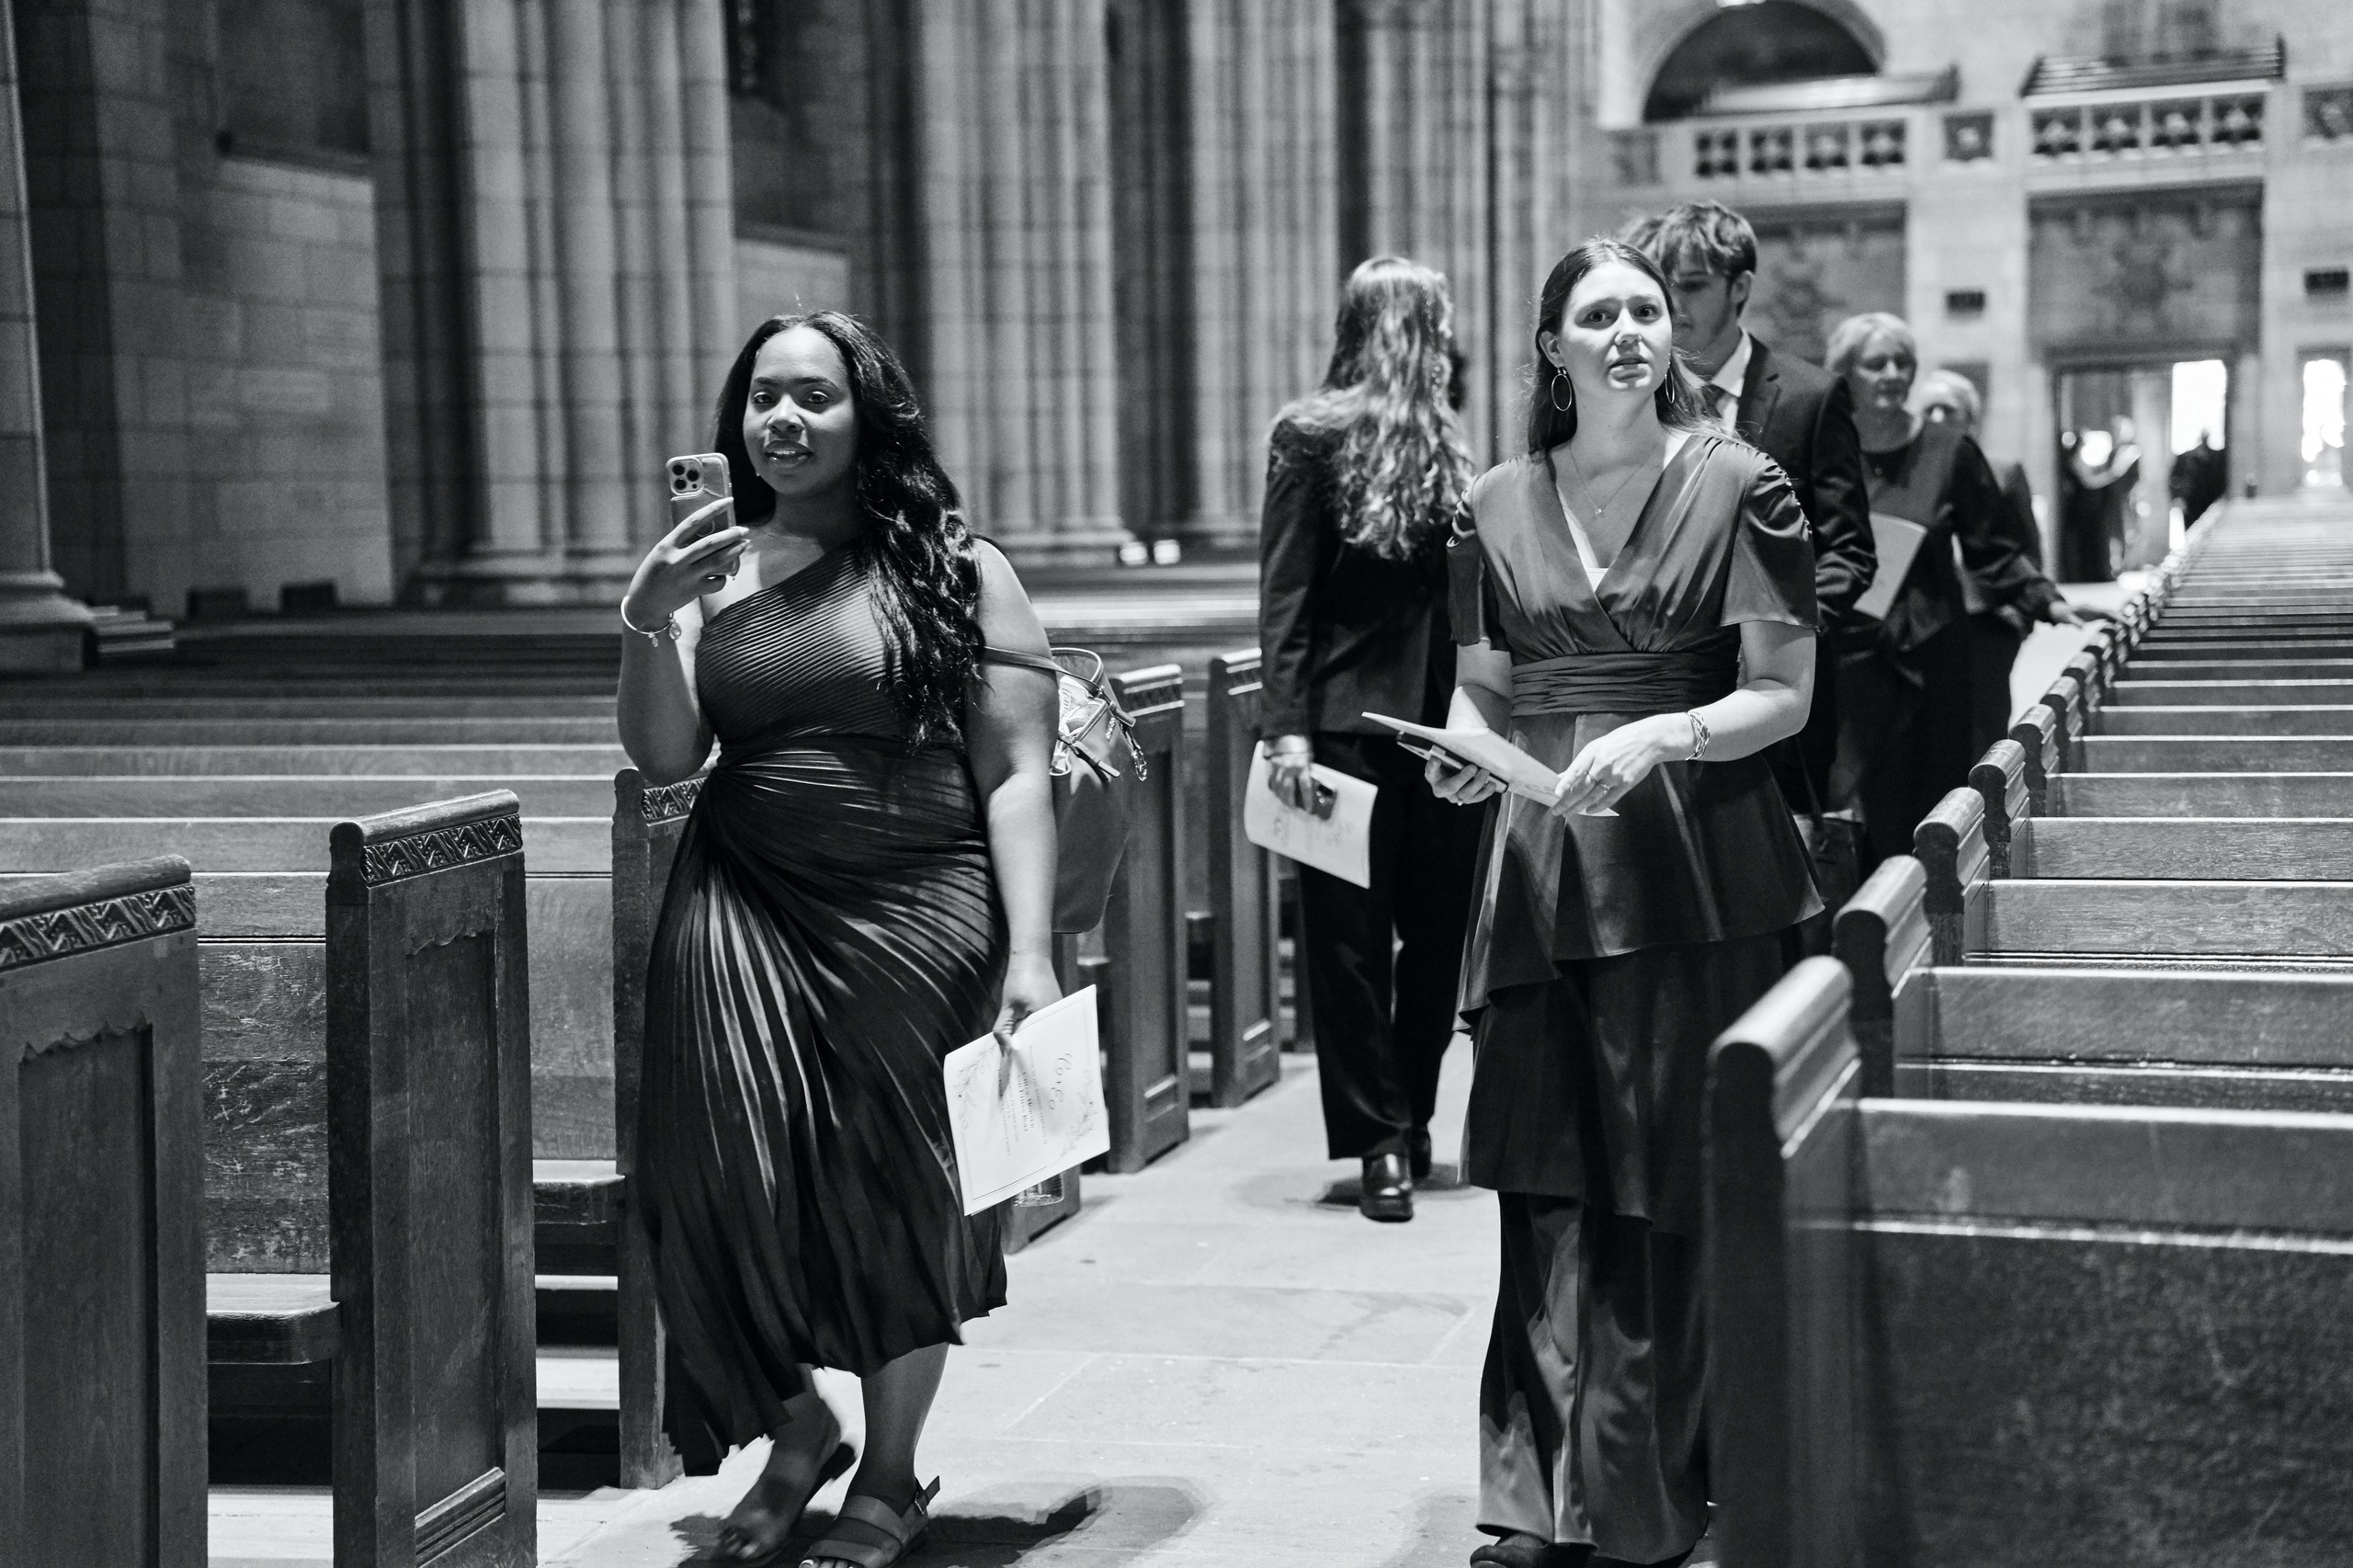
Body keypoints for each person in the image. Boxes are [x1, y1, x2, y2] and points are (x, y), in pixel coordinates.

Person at [616, 311, 1061, 1568]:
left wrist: (1028, 952)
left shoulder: (958, 568)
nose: (783, 421)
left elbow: (1018, 767)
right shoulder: (714, 569)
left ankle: (895, 1468)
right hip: (743, 898)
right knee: (709, 1182)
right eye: (763, 397)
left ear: (870, 412)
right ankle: (799, 1426)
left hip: (918, 912)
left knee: (896, 1192)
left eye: (814, 396)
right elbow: (664, 756)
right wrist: (650, 620)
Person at [1427, 238, 1822, 1568]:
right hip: (1541, 865)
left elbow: (1784, 693)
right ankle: (1538, 1498)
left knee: (1665, 1186)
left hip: (1695, 859)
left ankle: (1652, 1493)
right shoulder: (1488, 503)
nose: (1627, 332)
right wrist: (1462, 757)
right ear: (1552, 347)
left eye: (1646, 310)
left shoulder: (1741, 485)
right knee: (1542, 1186)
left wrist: (1662, 738)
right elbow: (1481, 690)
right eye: (1597, 314)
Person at [1258, 256, 1483, 1224]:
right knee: (1348, 947)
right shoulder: (1308, 436)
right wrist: (1286, 731)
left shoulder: (1455, 446)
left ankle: (1410, 1117)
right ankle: (1381, 1138)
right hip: (1342, 730)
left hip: (1442, 731)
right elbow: (1287, 595)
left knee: (1429, 941)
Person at [1620, 202, 1874, 846]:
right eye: (1661, 285)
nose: (1673, 304)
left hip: (1768, 694)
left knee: (1772, 889)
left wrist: (1773, 634)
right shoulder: (1631, 401)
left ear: (1740, 288)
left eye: (1693, 285)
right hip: (1652, 691)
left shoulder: (1810, 397)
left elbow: (1849, 552)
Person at [1826, 314, 2087, 866]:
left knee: (1935, 798)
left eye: (1904, 363)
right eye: (1877, 364)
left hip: (1936, 651)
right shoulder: (1822, 446)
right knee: (1857, 803)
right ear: (1845, 373)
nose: (1893, 374)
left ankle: (1935, 920)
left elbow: (1992, 544)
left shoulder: (1948, 450)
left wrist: (2044, 598)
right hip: (1848, 654)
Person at [1916, 369, 2092, 758]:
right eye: (1930, 410)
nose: (1940, 419)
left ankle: (1986, 814)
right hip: (1928, 626)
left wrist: (2019, 617)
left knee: (1985, 730)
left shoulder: (2002, 470)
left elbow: (2025, 548)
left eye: (1950, 409)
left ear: (1971, 419)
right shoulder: (1909, 477)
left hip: (1989, 621)